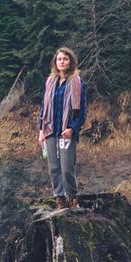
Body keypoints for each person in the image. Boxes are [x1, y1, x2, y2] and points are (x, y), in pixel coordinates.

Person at [38, 47, 87, 210]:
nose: (62, 62)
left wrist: (72, 128)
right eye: (59, 59)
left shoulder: (78, 83)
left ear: (71, 62)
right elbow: (43, 108)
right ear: (55, 62)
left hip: (67, 132)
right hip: (50, 130)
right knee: (54, 167)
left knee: (67, 167)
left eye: (65, 59)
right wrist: (41, 131)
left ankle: (72, 197)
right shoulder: (50, 82)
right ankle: (59, 198)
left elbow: (82, 113)